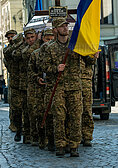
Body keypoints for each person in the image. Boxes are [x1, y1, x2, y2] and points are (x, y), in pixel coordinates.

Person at [43, 18, 98, 157]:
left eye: (66, 26)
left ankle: (74, 145)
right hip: (59, 87)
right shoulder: (50, 48)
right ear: (55, 29)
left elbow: (88, 61)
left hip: (74, 86)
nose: (65, 28)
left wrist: (94, 56)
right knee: (59, 117)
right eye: (62, 26)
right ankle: (61, 145)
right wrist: (56, 68)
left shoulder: (75, 45)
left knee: (75, 117)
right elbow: (44, 67)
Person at [3, 29, 17, 132]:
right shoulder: (7, 50)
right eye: (9, 38)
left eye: (12, 36)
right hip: (13, 79)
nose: (10, 39)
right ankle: (14, 124)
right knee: (13, 103)